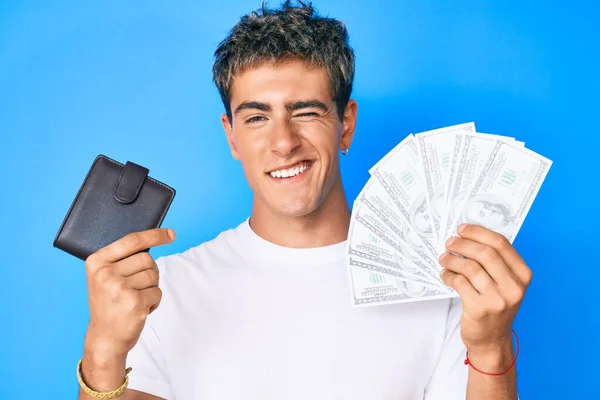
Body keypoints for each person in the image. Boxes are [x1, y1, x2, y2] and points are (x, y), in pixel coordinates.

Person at [76, 2, 532, 399]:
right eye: (256, 118)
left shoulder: (445, 286)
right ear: (231, 136)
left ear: (346, 124)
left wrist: (490, 345)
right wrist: (103, 350)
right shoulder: (163, 290)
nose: (283, 143)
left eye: (306, 112)